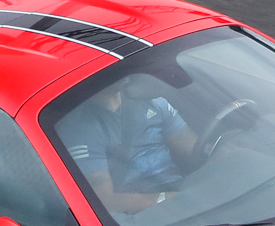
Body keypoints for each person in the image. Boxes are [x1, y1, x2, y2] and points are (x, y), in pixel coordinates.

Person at [54, 75, 197, 216]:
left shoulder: (151, 100)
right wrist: (165, 200)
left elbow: (195, 147)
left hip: (179, 190)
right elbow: (105, 201)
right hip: (141, 215)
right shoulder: (79, 130)